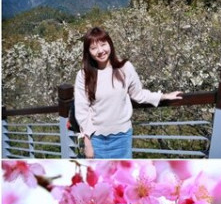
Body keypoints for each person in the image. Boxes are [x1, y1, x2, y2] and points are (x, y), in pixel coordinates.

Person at [74, 27, 183, 159]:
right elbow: (81, 109)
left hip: (122, 136)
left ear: (110, 44)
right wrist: (87, 142)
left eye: (103, 45)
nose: (101, 51)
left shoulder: (124, 68)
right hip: (95, 138)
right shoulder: (83, 75)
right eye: (94, 48)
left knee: (123, 176)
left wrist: (163, 96)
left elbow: (138, 94)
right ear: (88, 52)